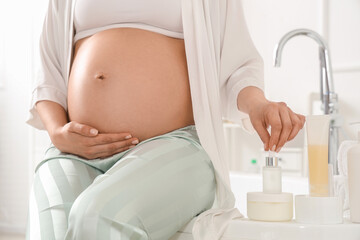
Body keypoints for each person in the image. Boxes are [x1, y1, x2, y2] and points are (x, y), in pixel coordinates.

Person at [25, 0, 305, 239]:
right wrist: (57, 131)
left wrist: (258, 104)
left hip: (175, 146)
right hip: (75, 153)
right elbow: (49, 72)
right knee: (52, 230)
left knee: (96, 216)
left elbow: (237, 66)